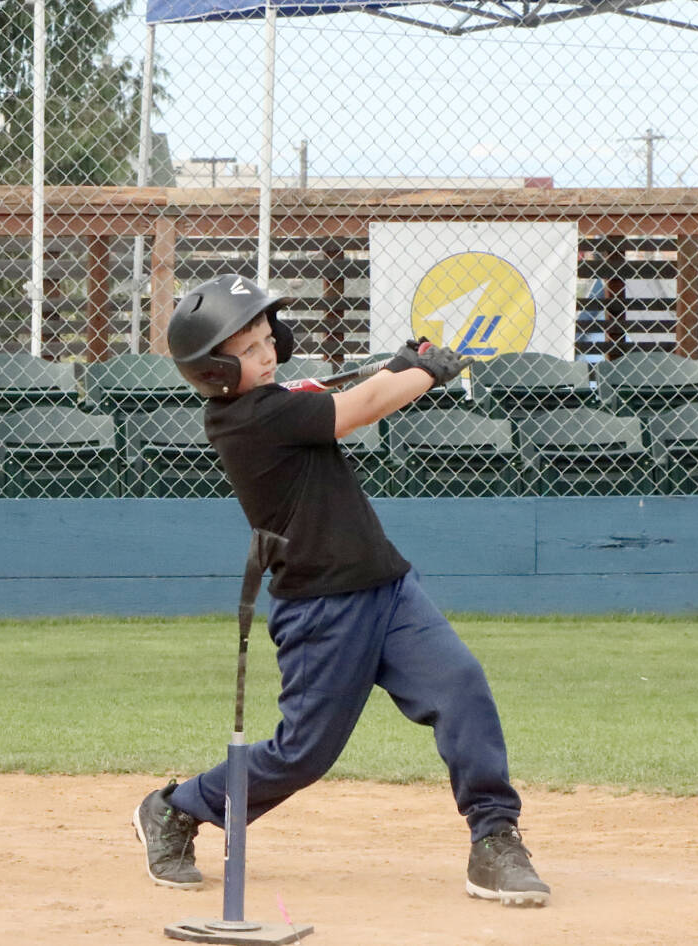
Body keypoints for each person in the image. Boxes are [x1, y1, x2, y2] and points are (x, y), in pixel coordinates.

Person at [132, 273, 550, 908]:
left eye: (268, 339)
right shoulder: (247, 420)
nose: (267, 353)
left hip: (388, 588)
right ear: (215, 372)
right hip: (321, 610)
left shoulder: (275, 401)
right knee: (302, 754)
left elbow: (352, 393)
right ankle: (178, 807)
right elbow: (357, 408)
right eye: (247, 350)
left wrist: (400, 367)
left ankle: (495, 836)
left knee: (461, 684)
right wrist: (424, 373)